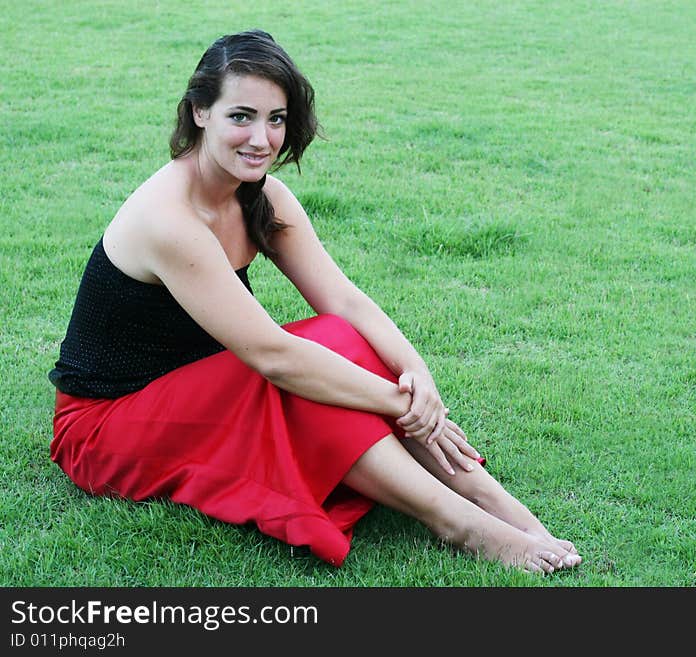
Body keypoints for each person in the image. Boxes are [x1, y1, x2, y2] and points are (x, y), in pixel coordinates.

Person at [48, 29, 581, 574]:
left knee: (337, 338)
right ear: (199, 113)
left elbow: (344, 302)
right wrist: (399, 404)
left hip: (204, 387)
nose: (261, 138)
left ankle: (494, 502)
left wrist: (418, 377)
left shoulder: (260, 195)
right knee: (297, 369)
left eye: (275, 119)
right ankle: (458, 521)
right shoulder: (169, 219)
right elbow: (272, 356)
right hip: (108, 425)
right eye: (242, 116)